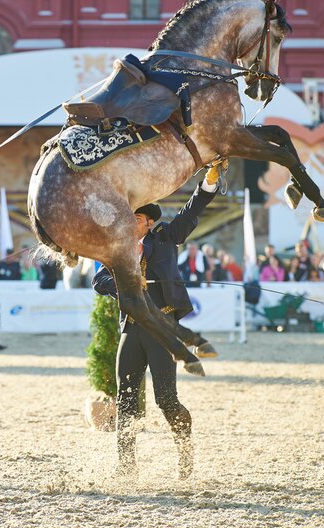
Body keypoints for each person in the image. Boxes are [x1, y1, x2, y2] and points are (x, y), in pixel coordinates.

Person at [93, 163, 223, 480]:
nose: (129, 223)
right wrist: (125, 284)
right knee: (125, 399)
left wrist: (208, 183)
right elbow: (99, 281)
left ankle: (185, 454)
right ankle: (126, 466)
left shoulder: (166, 237)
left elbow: (191, 213)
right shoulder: (118, 247)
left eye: (135, 218)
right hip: (131, 328)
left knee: (166, 400)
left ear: (149, 223)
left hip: (162, 328)